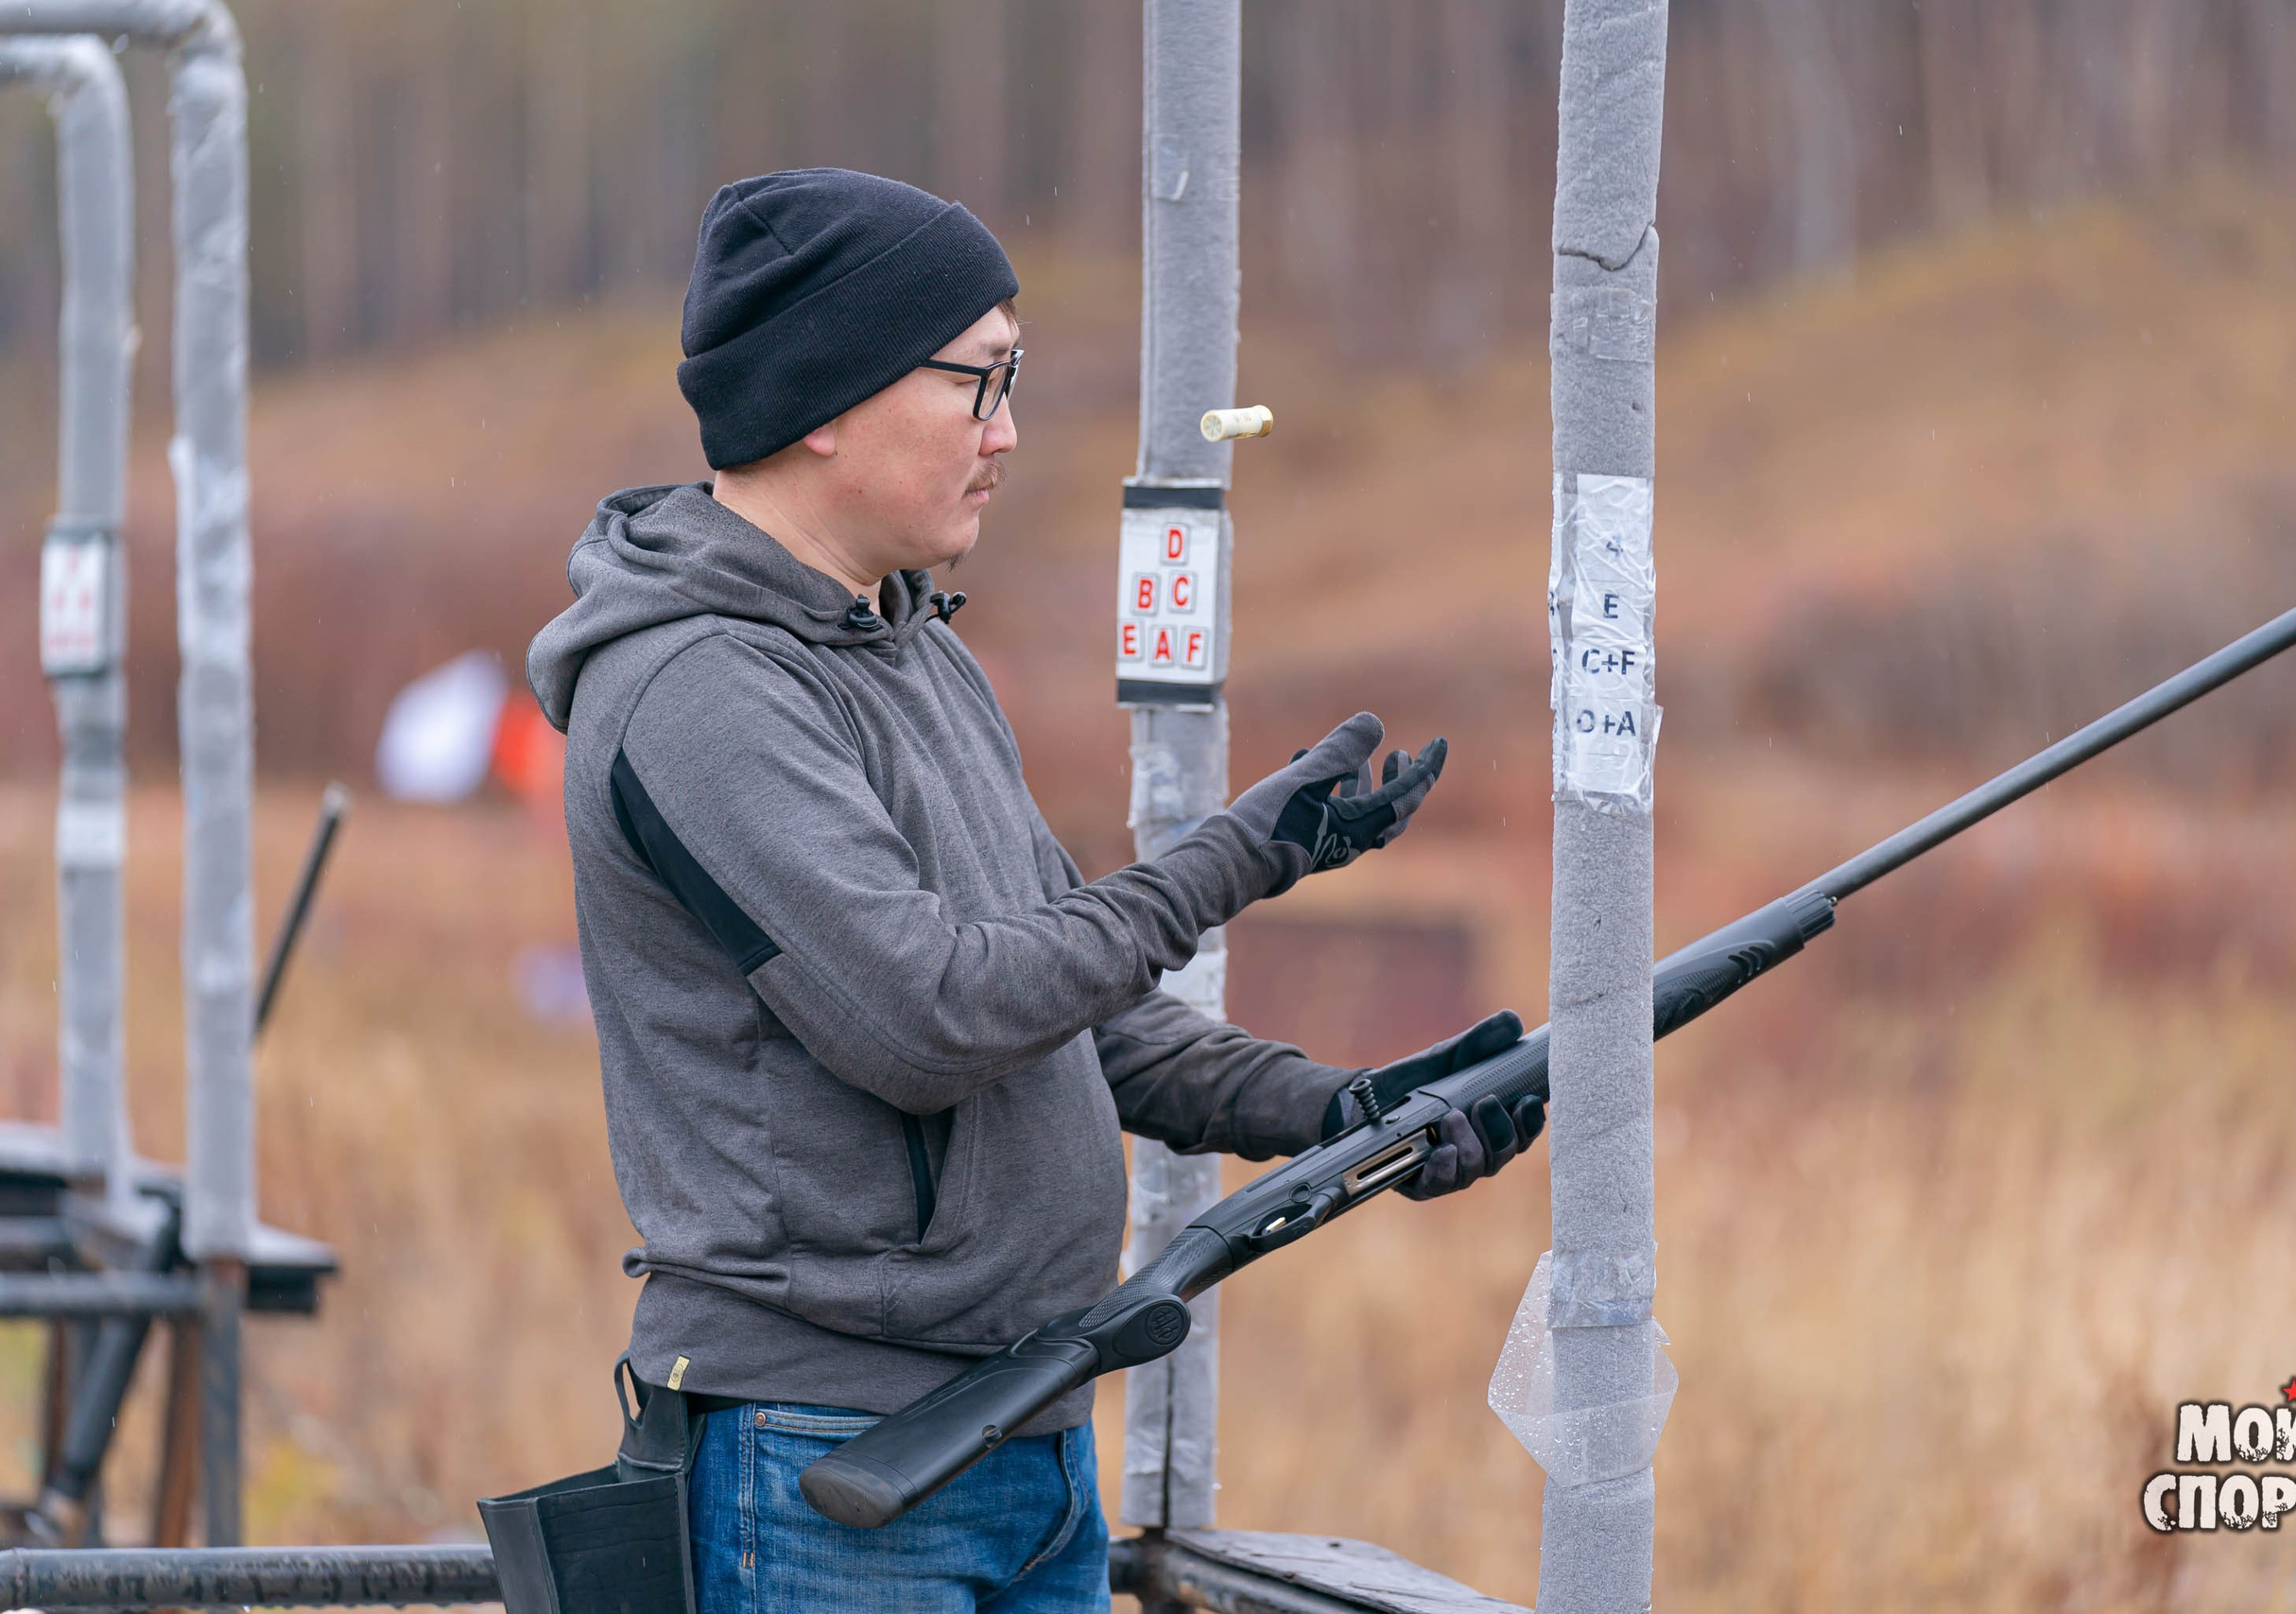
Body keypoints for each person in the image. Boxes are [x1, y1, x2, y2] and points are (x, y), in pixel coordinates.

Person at [526, 169, 1545, 1614]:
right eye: (979, 382)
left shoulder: (915, 649)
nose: (1008, 432)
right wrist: (1236, 859)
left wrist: (1340, 1113)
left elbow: (1081, 1010)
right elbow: (931, 1016)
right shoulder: (697, 692)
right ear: (830, 396)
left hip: (1019, 1437)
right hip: (829, 1469)